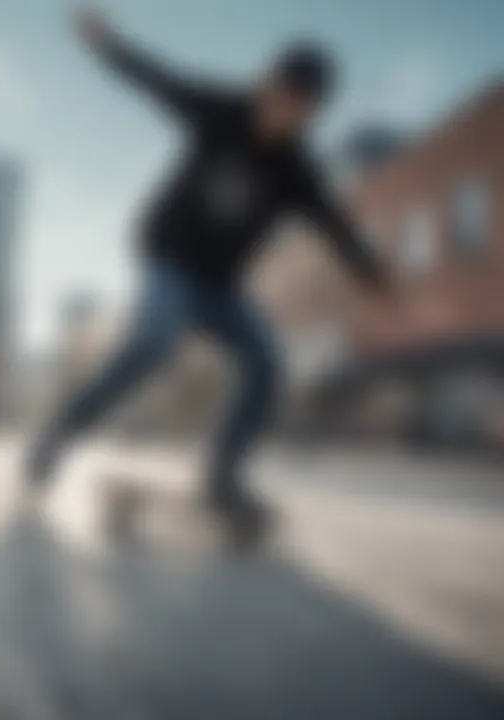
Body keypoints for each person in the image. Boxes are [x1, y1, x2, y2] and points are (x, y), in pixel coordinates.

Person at [27, 7, 394, 533]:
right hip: (169, 263)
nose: (280, 114)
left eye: (297, 109)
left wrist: (370, 272)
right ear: (265, 85)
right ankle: (57, 439)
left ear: (311, 114)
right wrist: (108, 47)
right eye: (277, 96)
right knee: (152, 344)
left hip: (222, 288)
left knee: (266, 365)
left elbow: (332, 223)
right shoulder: (222, 110)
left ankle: (221, 477)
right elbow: (160, 82)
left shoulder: (298, 170)